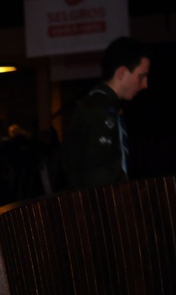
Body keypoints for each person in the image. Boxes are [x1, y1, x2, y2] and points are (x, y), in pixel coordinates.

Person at [62, 36, 151, 190]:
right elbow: (98, 175)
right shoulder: (99, 109)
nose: (145, 85)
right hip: (101, 206)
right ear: (122, 72)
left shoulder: (104, 105)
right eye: (141, 76)